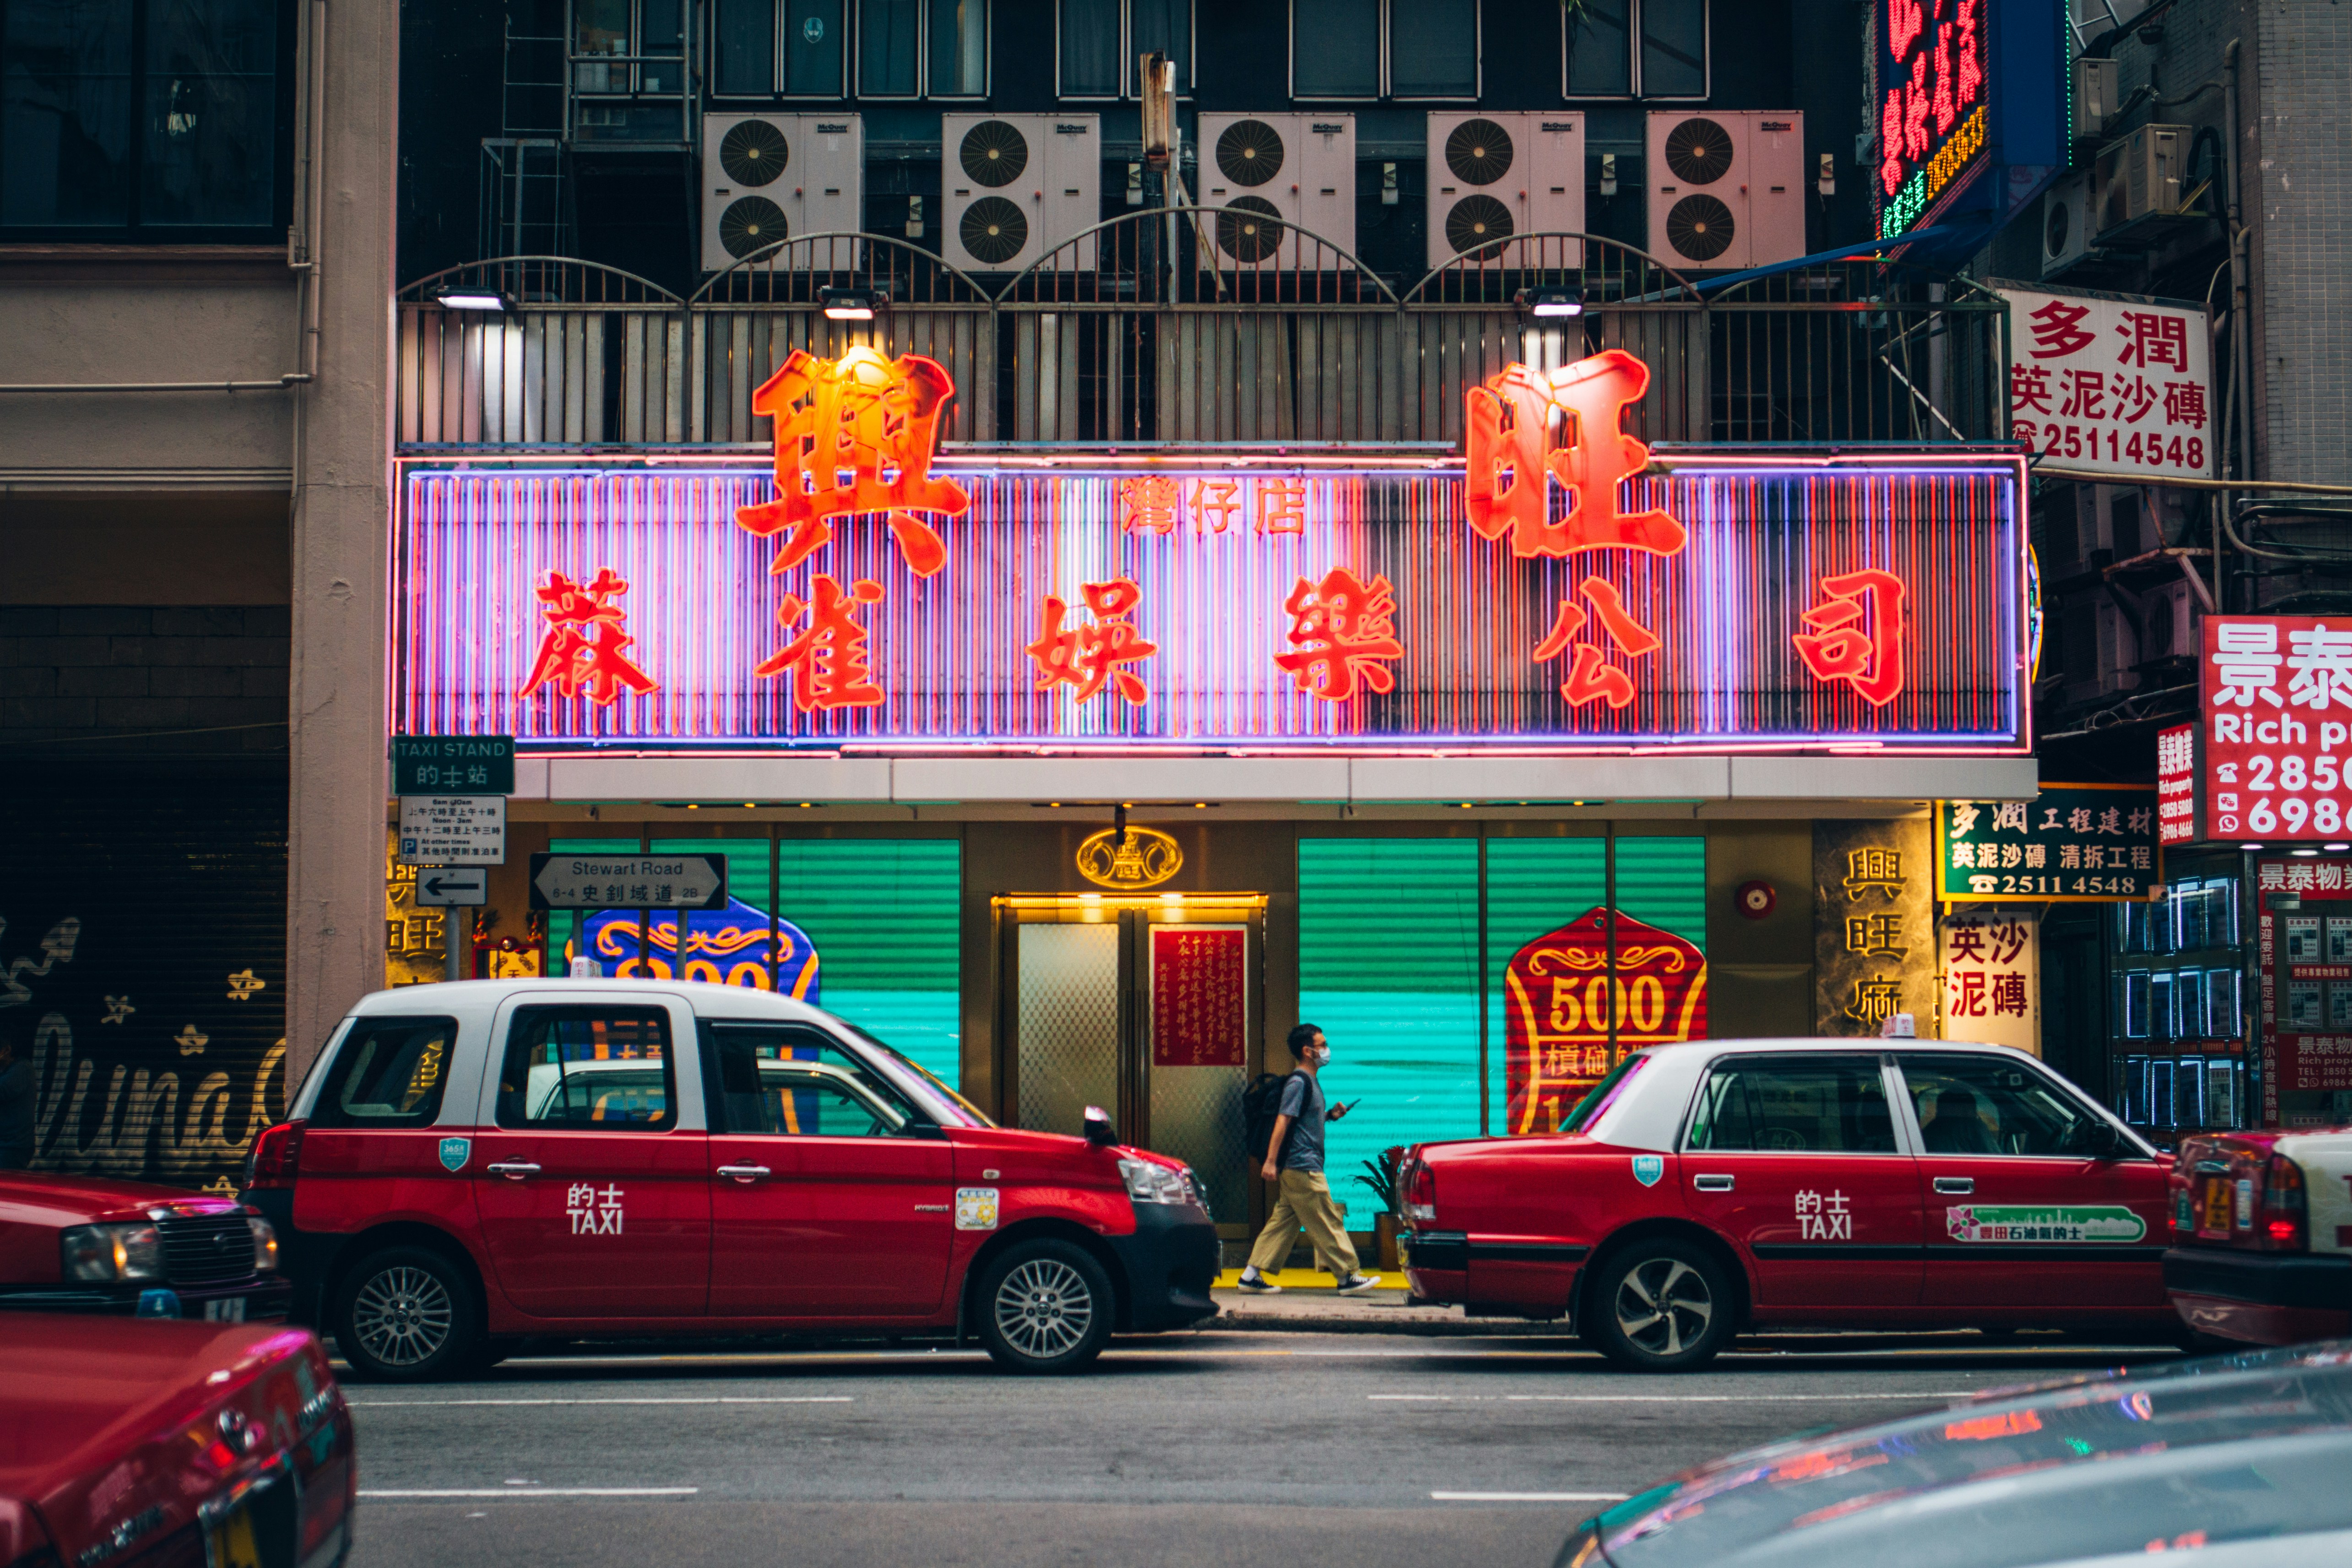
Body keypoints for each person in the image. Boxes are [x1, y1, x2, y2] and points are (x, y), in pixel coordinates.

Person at [1237, 1023, 1381, 1295]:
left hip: (1299, 1163)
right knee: (1328, 1219)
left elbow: (1302, 1123)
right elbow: (1283, 1121)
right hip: (1301, 1165)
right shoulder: (1298, 1082)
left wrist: (1330, 1116)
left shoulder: (1310, 1082)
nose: (1327, 1050)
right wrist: (1270, 1161)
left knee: (1283, 1221)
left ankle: (1250, 1275)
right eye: (1322, 1045)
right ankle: (1348, 1276)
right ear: (1307, 1051)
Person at [0, 1036, 34, 1171]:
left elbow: (3, 1091)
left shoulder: (22, 1069)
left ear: (7, 1050)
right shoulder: (5, 1071)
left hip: (12, 1148)